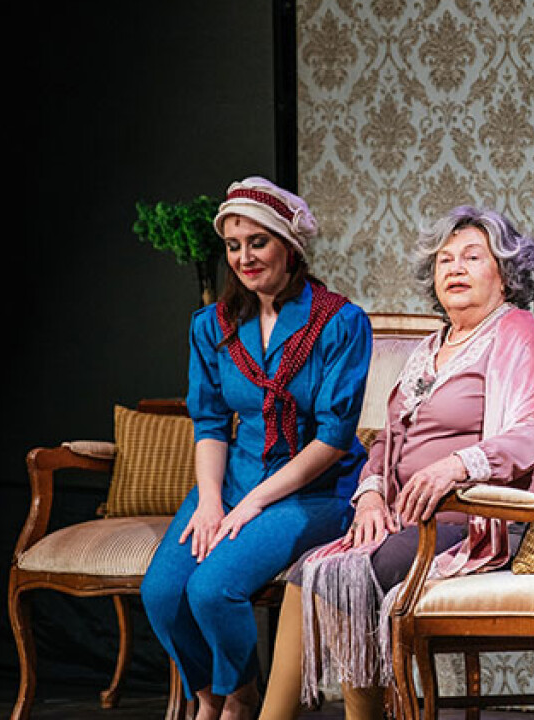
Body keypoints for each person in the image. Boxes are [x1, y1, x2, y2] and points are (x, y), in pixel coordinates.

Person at [257, 206, 534, 720]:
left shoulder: (519, 335)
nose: (455, 268)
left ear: (506, 274)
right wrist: (371, 494)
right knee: (307, 572)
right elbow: (386, 439)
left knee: (348, 574)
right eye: (445, 259)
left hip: (477, 518)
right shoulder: (429, 347)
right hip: (409, 518)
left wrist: (457, 465)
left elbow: (532, 433)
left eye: (472, 257)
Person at [141, 177, 373, 720]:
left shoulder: (340, 322)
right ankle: (212, 697)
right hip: (236, 479)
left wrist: (252, 505)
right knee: (163, 592)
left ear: (289, 246)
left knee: (212, 589)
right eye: (233, 245)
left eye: (258, 242)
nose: (244, 257)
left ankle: (242, 700)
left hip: (314, 490)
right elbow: (209, 423)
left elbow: (334, 439)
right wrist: (210, 500)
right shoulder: (212, 325)